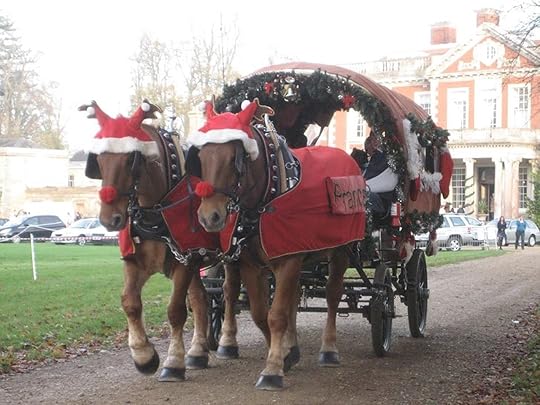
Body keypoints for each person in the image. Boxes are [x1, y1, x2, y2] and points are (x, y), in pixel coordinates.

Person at [362, 132, 398, 213]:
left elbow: (388, 181)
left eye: (377, 138)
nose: (374, 141)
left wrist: (362, 186)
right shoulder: (375, 156)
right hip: (373, 193)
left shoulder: (387, 157)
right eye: (372, 139)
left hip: (383, 199)